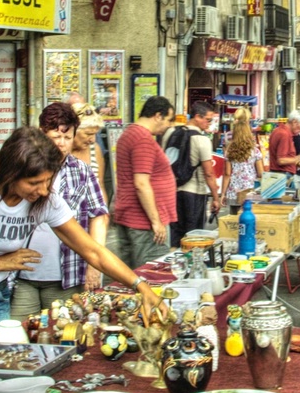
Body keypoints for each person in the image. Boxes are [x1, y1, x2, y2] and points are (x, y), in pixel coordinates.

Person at [0, 126, 163, 368]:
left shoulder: (46, 199)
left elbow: (93, 251)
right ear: (11, 173)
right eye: (34, 182)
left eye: (48, 181)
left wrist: (140, 287)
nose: (43, 190)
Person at [11, 103, 110, 319]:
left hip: (66, 276)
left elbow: (99, 216)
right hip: (21, 275)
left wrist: (95, 265)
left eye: (67, 137)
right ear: (42, 134)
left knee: (63, 334)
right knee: (19, 335)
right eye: (56, 136)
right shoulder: (21, 167)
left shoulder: (81, 171)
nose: (61, 143)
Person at [109, 96, 178, 268]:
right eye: (168, 120)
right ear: (157, 116)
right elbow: (141, 183)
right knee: (151, 272)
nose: (169, 125)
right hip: (143, 221)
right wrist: (156, 221)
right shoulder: (143, 139)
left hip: (130, 215)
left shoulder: (130, 133)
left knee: (133, 272)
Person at [162, 101, 222, 247]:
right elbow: (209, 173)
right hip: (194, 193)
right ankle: (190, 265)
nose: (209, 123)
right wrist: (215, 198)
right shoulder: (202, 140)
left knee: (175, 234)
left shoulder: (169, 133)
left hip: (171, 192)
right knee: (193, 236)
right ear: (197, 117)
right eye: (208, 120)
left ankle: (174, 262)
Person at [220, 108, 264, 214]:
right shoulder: (255, 151)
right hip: (249, 192)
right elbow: (261, 173)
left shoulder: (229, 151)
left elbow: (227, 174)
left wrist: (222, 194)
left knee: (233, 222)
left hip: (233, 193)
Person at [71, 102, 108, 203]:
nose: (92, 139)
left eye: (95, 134)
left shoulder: (94, 149)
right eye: (88, 134)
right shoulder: (60, 151)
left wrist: (104, 212)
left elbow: (100, 184)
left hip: (91, 214)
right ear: (72, 130)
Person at [268, 110, 300, 176]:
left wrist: (296, 162)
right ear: (294, 122)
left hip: (279, 173)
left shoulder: (278, 131)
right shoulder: (284, 134)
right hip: (283, 174)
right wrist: (299, 158)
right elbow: (281, 160)